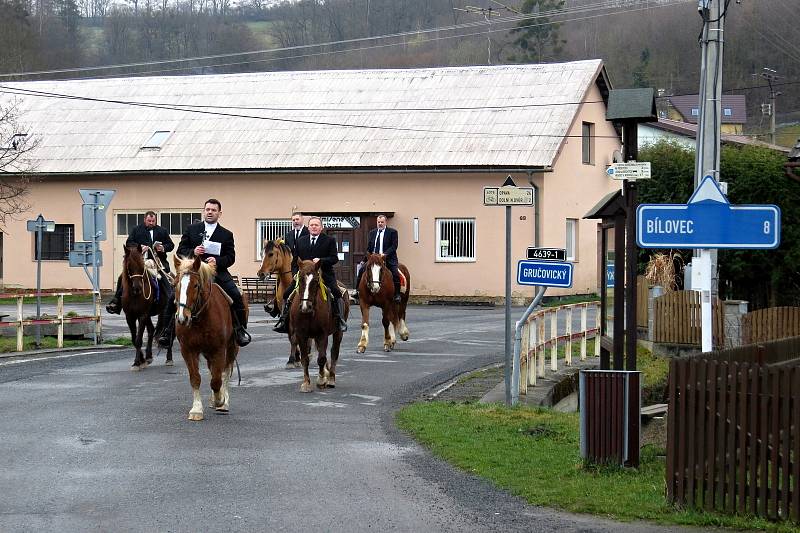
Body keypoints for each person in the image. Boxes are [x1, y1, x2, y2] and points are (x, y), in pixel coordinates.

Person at [158, 199, 251, 347]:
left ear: (219, 213)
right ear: (204, 211)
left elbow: (231, 257)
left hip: (216, 273)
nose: (210, 212)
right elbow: (180, 250)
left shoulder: (226, 234)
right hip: (192, 272)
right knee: (172, 298)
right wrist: (193, 252)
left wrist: (218, 261)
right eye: (207, 209)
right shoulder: (192, 229)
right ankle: (167, 332)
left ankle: (239, 330)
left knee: (236, 296)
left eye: (213, 210)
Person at [273, 216, 348, 333]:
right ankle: (283, 321)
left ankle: (339, 319)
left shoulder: (329, 240)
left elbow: (334, 258)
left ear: (321, 228)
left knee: (336, 292)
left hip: (324, 274)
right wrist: (294, 273)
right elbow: (295, 260)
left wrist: (321, 260)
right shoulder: (300, 241)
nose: (314, 227)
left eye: (316, 225)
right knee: (286, 293)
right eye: (312, 225)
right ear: (308, 228)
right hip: (303, 275)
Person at [106, 210, 174, 316]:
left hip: (158, 262)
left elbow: (171, 245)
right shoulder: (136, 229)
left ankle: (171, 301)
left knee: (165, 280)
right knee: (122, 277)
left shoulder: (162, 231)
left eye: (153, 221)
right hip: (140, 262)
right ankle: (116, 302)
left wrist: (163, 247)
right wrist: (139, 247)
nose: (151, 223)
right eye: (149, 221)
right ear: (145, 220)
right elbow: (129, 242)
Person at [357, 214, 401, 303]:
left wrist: (385, 254)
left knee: (395, 273)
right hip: (373, 259)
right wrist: (364, 260)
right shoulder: (372, 233)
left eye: (382, 222)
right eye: (378, 222)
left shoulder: (392, 232)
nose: (380, 224)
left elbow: (394, 246)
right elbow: (369, 248)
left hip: (388, 258)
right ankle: (357, 291)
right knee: (361, 270)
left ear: (385, 222)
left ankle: (397, 294)